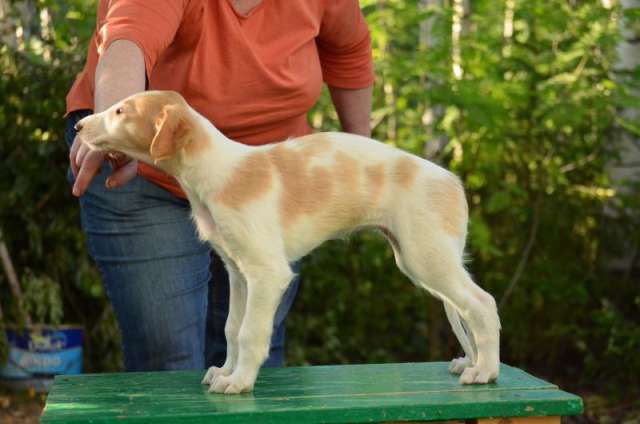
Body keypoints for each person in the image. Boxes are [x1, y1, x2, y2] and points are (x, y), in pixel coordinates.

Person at [65, 0, 373, 372]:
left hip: (268, 178)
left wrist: (364, 158)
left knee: (254, 349)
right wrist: (115, 137)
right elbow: (128, 41)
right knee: (170, 356)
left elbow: (349, 49)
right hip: (150, 173)